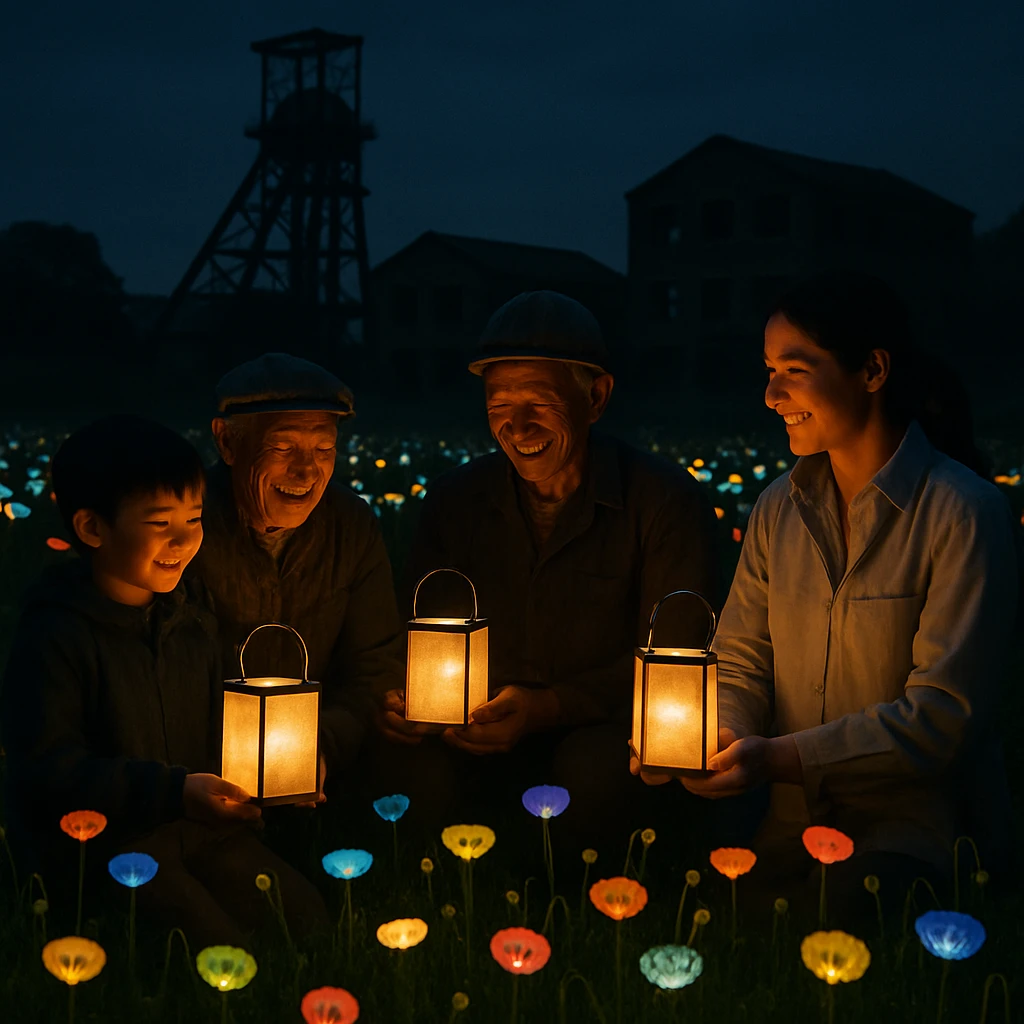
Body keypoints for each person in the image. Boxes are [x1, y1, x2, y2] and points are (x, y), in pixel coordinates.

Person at [635, 272, 1018, 927]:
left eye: (795, 369)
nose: (771, 394)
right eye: (767, 369)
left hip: (914, 825)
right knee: (696, 914)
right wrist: (713, 737)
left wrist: (779, 757)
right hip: (789, 819)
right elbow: (741, 656)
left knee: (839, 920)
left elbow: (942, 718)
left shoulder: (962, 513)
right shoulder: (777, 511)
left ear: (872, 370)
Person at [376, 291, 720, 845]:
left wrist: (547, 707)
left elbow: (675, 670)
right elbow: (413, 638)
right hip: (476, 729)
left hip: (601, 729)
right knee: (412, 771)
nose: (518, 425)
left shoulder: (660, 501)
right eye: (499, 404)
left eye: (539, 401)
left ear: (597, 396)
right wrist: (405, 701)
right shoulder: (455, 501)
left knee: (593, 774)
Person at [0, 415, 329, 946]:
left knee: (307, 921)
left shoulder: (189, 616)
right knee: (212, 945)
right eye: (160, 524)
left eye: (194, 520)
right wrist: (173, 790)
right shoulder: (56, 635)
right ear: (92, 528)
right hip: (108, 844)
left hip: (198, 829)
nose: (182, 540)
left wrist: (276, 764)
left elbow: (218, 717)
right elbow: (47, 770)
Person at [187, 353, 404, 802]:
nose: (306, 471)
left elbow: (375, 667)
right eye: (283, 448)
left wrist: (319, 748)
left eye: (324, 449)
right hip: (198, 769)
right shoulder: (183, 525)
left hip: (326, 759)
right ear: (227, 442)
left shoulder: (350, 524)